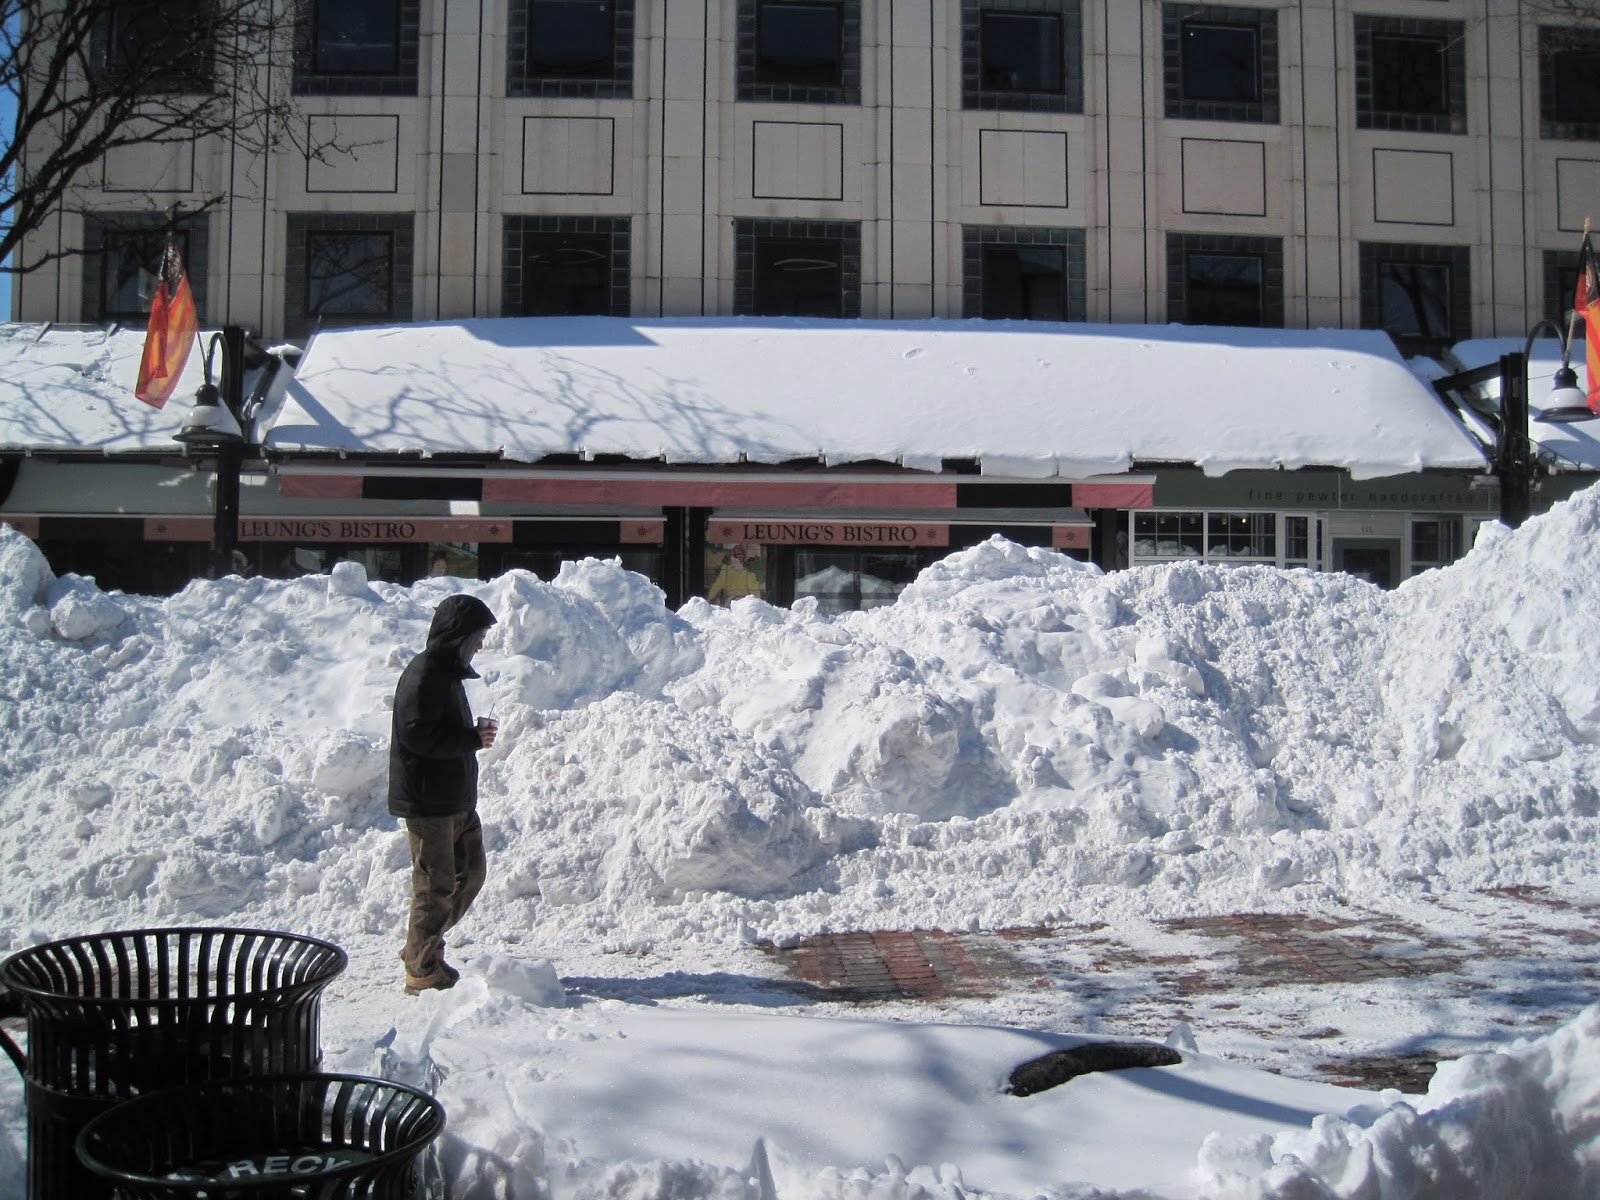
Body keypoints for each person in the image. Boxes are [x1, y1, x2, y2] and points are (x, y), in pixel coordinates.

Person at [388, 593, 499, 995]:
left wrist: (471, 740)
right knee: (434, 887)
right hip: (429, 802)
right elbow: (417, 735)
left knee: (470, 874)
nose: (481, 645)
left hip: (455, 800)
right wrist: (470, 738)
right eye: (478, 636)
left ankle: (422, 945)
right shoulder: (424, 674)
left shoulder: (446, 673)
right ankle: (421, 970)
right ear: (458, 635)